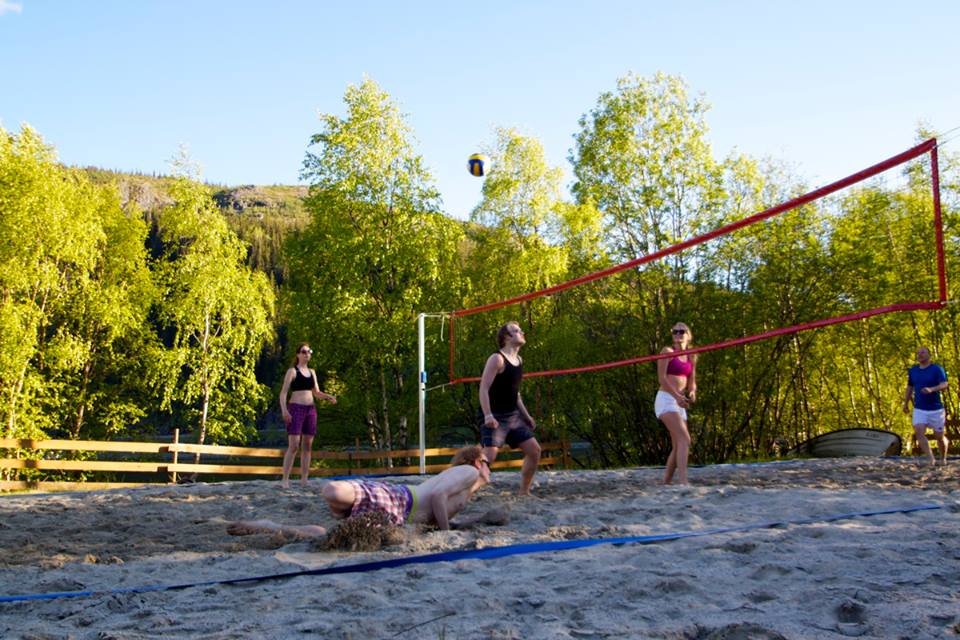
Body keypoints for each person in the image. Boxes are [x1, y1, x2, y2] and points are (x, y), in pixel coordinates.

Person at [227, 445, 492, 536]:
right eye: (487, 463)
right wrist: (446, 535)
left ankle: (269, 526)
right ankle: (269, 524)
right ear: (478, 462)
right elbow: (436, 497)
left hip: (396, 516)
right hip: (400, 502)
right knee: (332, 492)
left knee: (331, 535)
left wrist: (460, 524)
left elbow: (439, 508)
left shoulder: (466, 488)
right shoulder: (467, 472)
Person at [478, 321, 541, 496]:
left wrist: (526, 416)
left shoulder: (519, 360)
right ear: (506, 337)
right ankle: (463, 491)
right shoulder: (497, 359)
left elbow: (515, 393)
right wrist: (488, 415)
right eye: (516, 330)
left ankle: (524, 492)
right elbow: (483, 388)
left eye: (520, 330)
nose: (522, 332)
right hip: (494, 415)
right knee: (487, 458)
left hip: (513, 416)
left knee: (534, 451)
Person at [279, 343, 337, 488]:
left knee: (308, 446)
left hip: (310, 409)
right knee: (293, 446)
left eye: (309, 352)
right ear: (298, 354)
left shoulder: (312, 372)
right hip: (295, 408)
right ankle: (285, 479)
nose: (307, 354)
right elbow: (283, 393)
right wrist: (284, 410)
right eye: (304, 352)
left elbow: (316, 392)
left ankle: (304, 479)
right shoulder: (292, 371)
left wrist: (328, 396)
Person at [656, 322, 697, 485]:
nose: (678, 334)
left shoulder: (692, 355)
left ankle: (666, 482)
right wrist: (677, 396)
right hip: (666, 399)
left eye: (681, 331)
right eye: (675, 332)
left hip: (679, 402)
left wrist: (692, 392)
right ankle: (684, 482)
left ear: (688, 335)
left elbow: (692, 381)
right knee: (684, 439)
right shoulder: (667, 351)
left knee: (678, 444)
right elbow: (662, 379)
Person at [902, 346, 949, 465]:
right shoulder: (913, 370)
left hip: (936, 409)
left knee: (939, 436)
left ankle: (943, 458)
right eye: (918, 353)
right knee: (918, 431)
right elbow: (909, 387)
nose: (920, 354)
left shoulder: (937, 369)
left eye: (922, 352)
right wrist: (906, 403)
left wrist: (932, 389)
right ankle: (931, 459)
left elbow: (944, 384)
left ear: (929, 355)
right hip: (919, 408)